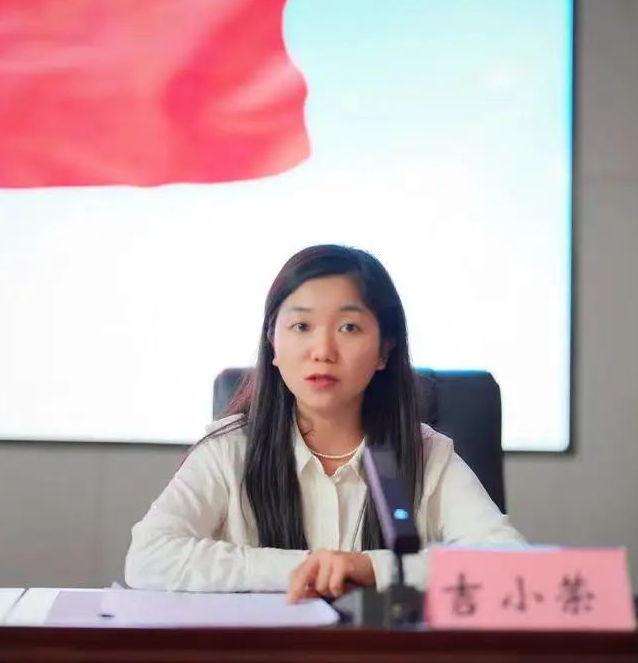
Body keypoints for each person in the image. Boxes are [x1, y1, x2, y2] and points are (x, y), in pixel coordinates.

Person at [125, 244, 525, 601]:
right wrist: (304, 568)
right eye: (301, 326)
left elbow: (511, 566)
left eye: (349, 327)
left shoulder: (426, 454)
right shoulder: (228, 450)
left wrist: (370, 568)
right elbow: (147, 558)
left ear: (384, 350)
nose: (322, 350)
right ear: (273, 343)